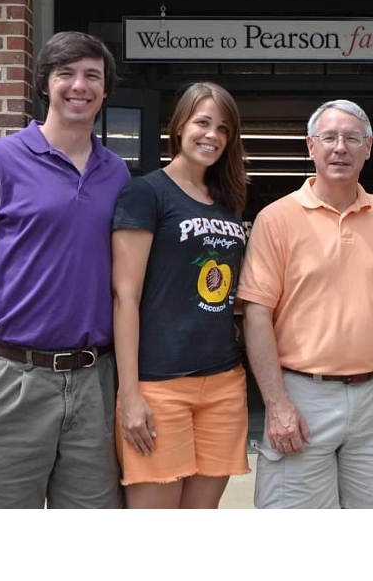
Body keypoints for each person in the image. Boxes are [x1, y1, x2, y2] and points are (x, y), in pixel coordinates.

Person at [0, 31, 129, 508]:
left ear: (106, 90)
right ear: (45, 84)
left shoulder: (118, 173)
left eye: (92, 75)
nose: (79, 85)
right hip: (10, 378)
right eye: (65, 73)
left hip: (94, 383)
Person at [237, 100, 373, 509]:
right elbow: (257, 314)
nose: (340, 148)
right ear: (310, 146)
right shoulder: (275, 219)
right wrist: (277, 405)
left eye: (352, 138)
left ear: (368, 148)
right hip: (302, 396)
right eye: (329, 137)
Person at [111, 82, 250, 509]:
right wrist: (130, 394)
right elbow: (125, 296)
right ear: (179, 127)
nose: (212, 135)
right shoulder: (146, 192)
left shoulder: (226, 201)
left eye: (223, 129)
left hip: (224, 383)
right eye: (203, 122)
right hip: (159, 385)